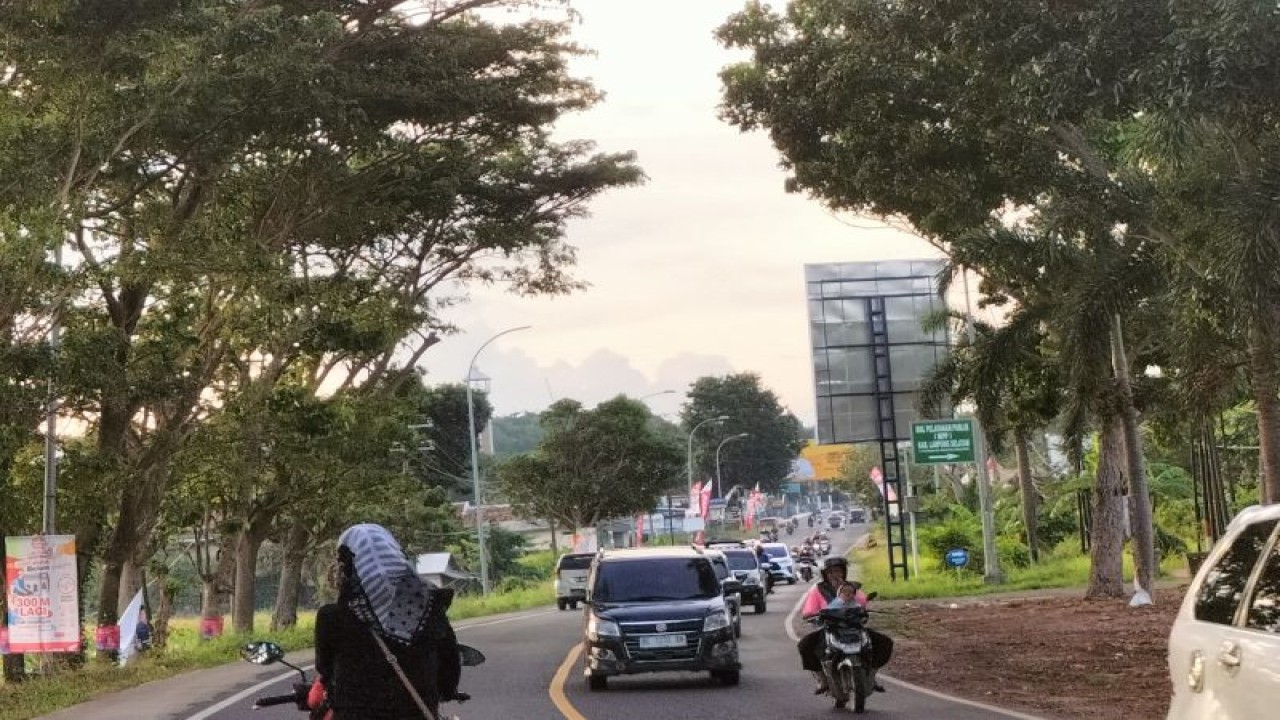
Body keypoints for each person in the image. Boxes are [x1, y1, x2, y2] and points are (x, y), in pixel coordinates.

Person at [313, 523, 464, 720]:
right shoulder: (428, 612)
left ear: (347, 566)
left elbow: (325, 669)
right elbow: (449, 674)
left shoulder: (332, 617)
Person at [796, 557, 892, 694]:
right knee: (805, 645)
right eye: (830, 572)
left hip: (854, 627)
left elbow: (862, 602)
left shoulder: (851, 587)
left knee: (885, 643)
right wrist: (818, 614)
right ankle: (822, 678)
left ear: (843, 572)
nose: (834, 575)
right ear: (825, 574)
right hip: (829, 628)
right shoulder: (818, 590)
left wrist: (846, 591)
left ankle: (871, 676)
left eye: (838, 571)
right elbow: (809, 611)